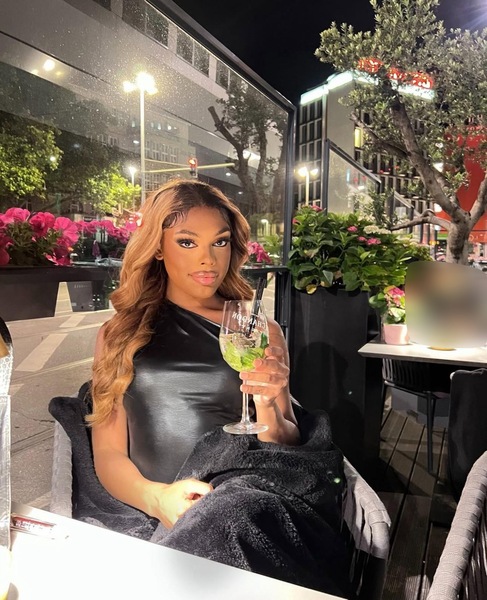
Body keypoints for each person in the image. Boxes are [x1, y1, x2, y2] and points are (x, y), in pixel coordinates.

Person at [89, 179, 300, 530]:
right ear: (158, 247)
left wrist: (266, 404)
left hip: (243, 501)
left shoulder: (257, 330)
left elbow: (287, 441)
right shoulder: (119, 334)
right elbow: (108, 452)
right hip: (148, 509)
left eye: (220, 242)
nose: (208, 259)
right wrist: (157, 499)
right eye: (187, 242)